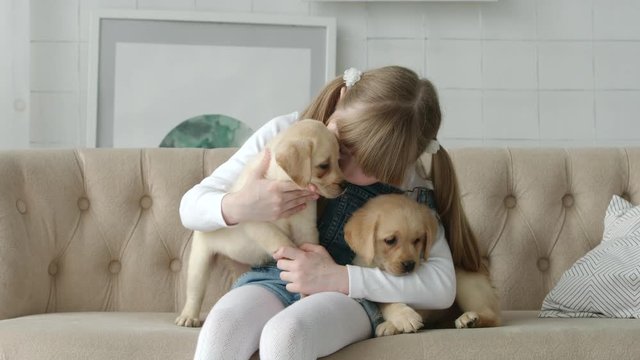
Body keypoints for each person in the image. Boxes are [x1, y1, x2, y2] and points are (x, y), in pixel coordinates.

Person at [179, 65, 482, 360]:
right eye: (344, 147)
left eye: (370, 167)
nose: (344, 168)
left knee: (287, 335)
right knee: (222, 329)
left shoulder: (409, 184)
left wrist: (339, 278)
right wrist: (241, 205)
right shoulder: (286, 135)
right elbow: (190, 207)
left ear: (399, 164)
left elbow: (442, 288)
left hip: (351, 296)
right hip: (273, 278)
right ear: (340, 99)